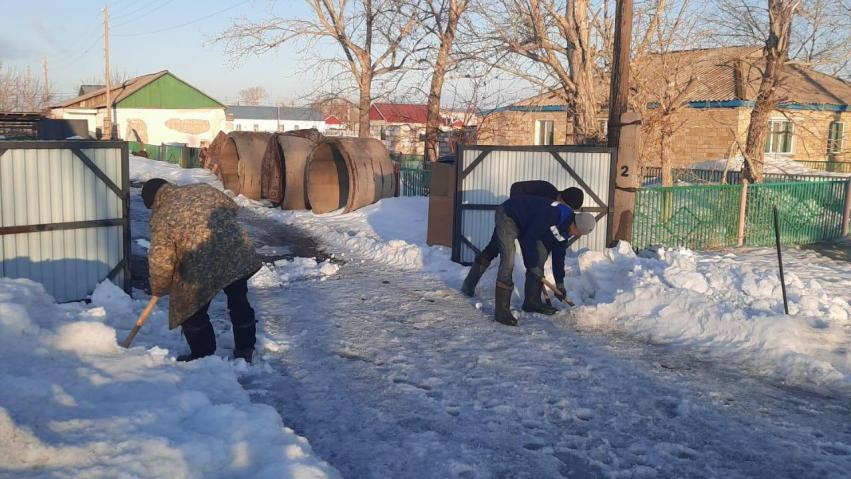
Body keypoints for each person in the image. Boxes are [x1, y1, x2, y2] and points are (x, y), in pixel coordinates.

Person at [142, 178, 262, 363]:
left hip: (201, 264)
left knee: (190, 310)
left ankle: (203, 354)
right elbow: (232, 207)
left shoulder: (162, 215)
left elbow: (161, 260)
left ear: (154, 201)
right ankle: (245, 348)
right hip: (236, 252)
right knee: (238, 301)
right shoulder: (203, 189)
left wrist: (159, 287)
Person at [463, 195, 595, 326]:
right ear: (575, 225)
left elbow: (558, 256)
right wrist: (531, 266)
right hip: (509, 216)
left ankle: (532, 302)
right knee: (508, 259)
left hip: (528, 224)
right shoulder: (553, 214)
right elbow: (528, 238)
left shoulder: (567, 230)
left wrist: (560, 284)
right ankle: (501, 311)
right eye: (578, 233)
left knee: (537, 256)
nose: (576, 235)